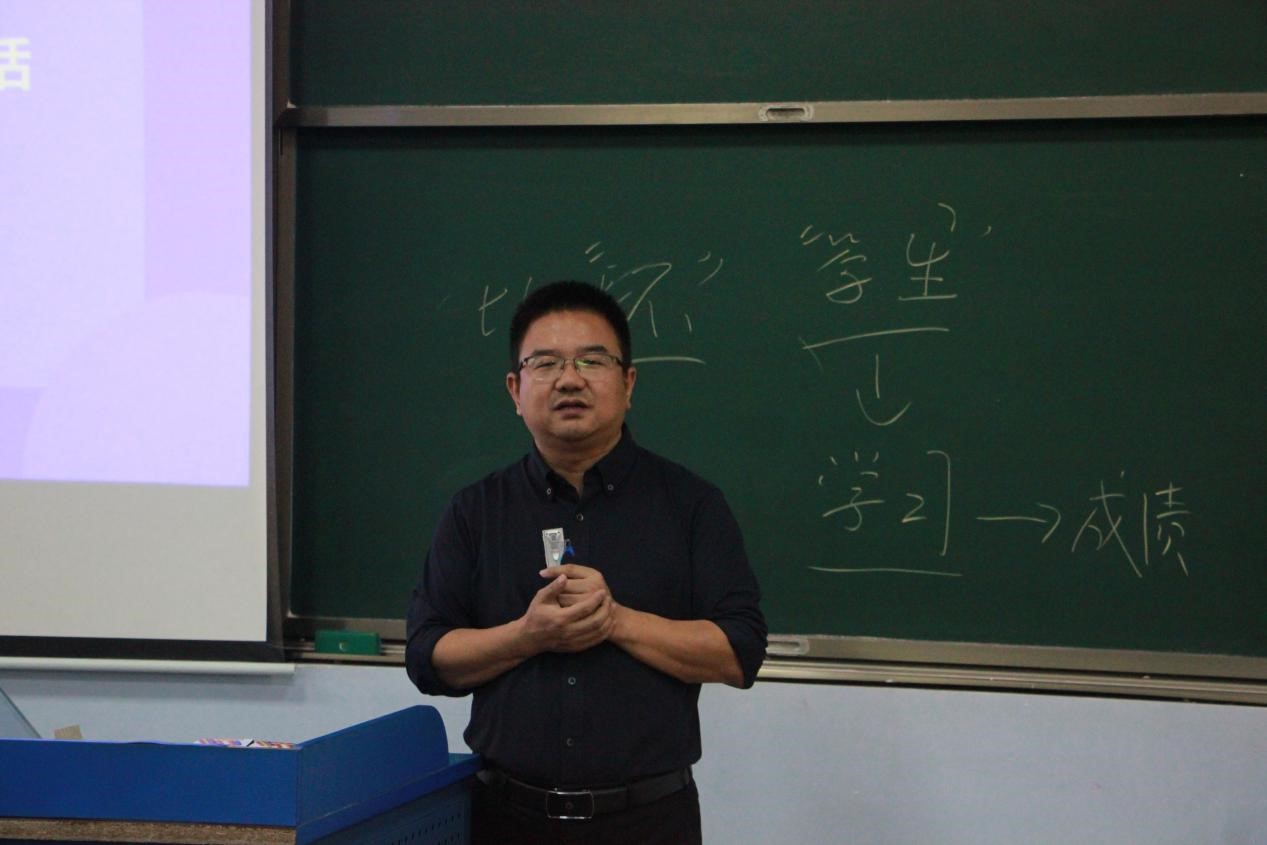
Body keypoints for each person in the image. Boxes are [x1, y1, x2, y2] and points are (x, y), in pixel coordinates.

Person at [406, 280, 766, 844]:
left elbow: (740, 651)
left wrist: (615, 620)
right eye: (545, 363)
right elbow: (428, 657)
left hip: (649, 822)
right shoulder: (475, 510)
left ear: (628, 383)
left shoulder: (691, 504)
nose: (569, 379)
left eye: (592, 361)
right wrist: (527, 636)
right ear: (515, 389)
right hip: (506, 821)